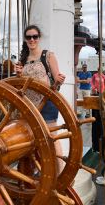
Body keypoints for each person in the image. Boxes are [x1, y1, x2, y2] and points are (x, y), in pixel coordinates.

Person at [15, 24, 66, 172]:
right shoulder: (23, 60)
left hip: (46, 103)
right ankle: (36, 172)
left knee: (51, 139)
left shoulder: (48, 55)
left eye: (34, 37)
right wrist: (18, 74)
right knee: (30, 140)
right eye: (29, 37)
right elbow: (20, 84)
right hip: (28, 105)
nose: (32, 39)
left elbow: (56, 80)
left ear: (39, 38)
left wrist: (59, 80)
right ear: (25, 39)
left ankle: (60, 175)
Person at [91, 68, 105, 185]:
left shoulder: (104, 77)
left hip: (103, 96)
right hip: (96, 95)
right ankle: (96, 147)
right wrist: (94, 88)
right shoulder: (95, 76)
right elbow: (92, 83)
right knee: (96, 122)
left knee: (101, 124)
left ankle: (99, 147)